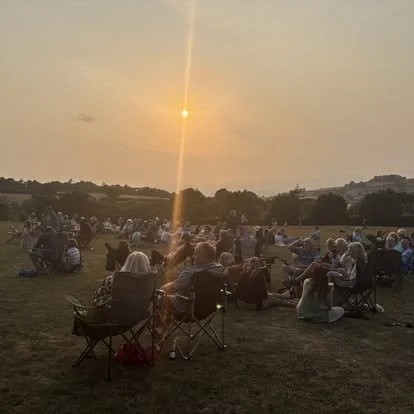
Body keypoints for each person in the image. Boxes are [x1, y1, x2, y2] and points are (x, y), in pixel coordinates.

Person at [157, 242, 224, 315]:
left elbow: (174, 287)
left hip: (187, 309)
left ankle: (159, 325)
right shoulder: (219, 269)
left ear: (203, 256)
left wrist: (161, 289)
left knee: (159, 296)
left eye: (195, 253)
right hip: (209, 309)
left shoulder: (192, 272)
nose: (193, 256)